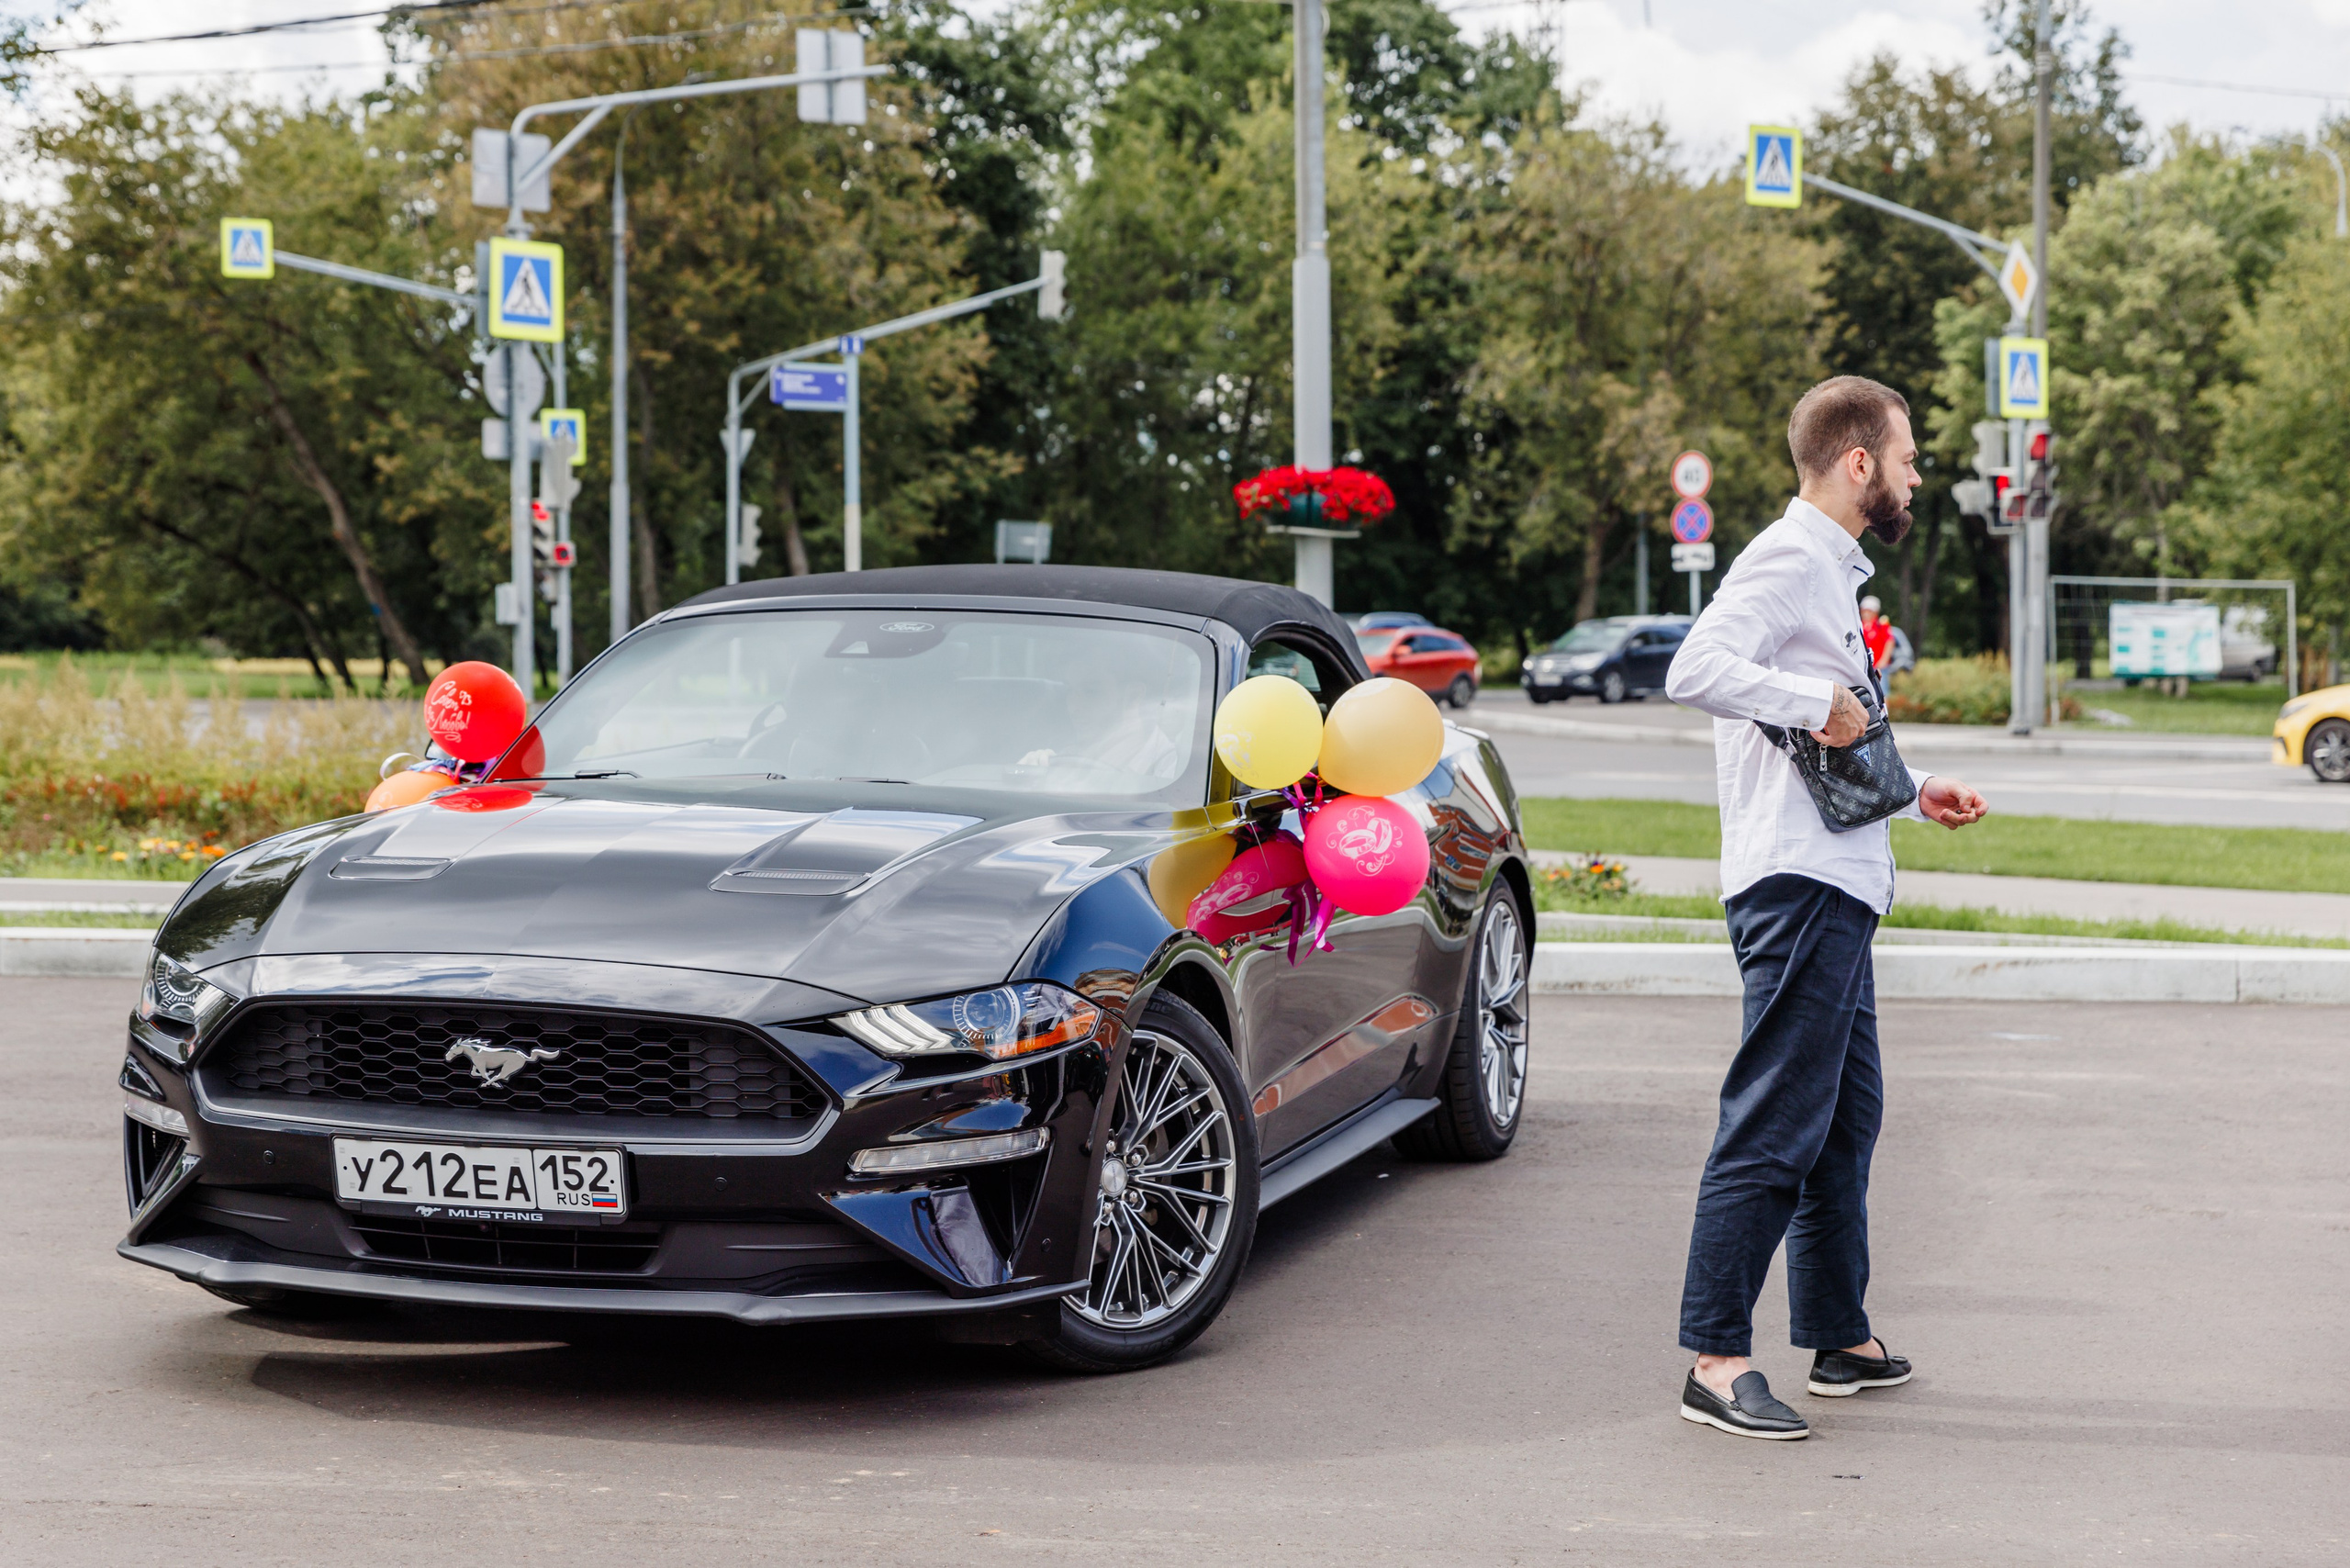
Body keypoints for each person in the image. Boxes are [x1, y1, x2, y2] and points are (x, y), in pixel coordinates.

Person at [1662, 375, 1988, 1441]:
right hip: (1795, 887)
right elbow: (1696, 667)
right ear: (1857, 462)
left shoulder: (1824, 572)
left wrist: (1914, 782)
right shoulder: (1787, 556)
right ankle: (1715, 1361)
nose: (1913, 474)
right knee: (1774, 1121)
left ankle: (1837, 1338)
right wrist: (1818, 704)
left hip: (1834, 877)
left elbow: (1834, 735)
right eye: (1904, 456)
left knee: (1845, 1121)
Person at [1858, 595, 1894, 673]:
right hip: (1863, 667)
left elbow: (1890, 642)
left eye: (1869, 611)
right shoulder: (1859, 625)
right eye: (1864, 610)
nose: (1865, 613)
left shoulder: (1881, 625)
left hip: (1878, 667)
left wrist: (1883, 661)